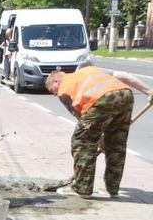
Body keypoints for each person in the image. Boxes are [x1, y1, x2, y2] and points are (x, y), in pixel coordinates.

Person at [45, 67, 153, 198]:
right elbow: (123, 75)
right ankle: (112, 189)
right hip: (125, 95)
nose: (55, 95)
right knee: (116, 144)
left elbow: (83, 122)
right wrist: (149, 91)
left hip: (101, 99)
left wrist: (94, 138)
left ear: (56, 81)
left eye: (52, 91)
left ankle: (82, 188)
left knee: (82, 142)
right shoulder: (89, 70)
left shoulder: (64, 89)